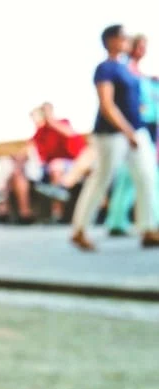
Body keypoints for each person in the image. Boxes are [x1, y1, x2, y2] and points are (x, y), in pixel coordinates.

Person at [70, 25, 159, 251]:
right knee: (102, 178)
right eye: (123, 36)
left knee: (147, 177)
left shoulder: (126, 69)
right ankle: (80, 229)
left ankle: (149, 228)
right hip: (113, 134)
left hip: (136, 131)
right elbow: (107, 105)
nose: (127, 40)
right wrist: (128, 131)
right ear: (111, 40)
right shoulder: (106, 68)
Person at [106, 34, 159, 236]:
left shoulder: (140, 74)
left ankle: (118, 221)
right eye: (139, 45)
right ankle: (147, 224)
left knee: (133, 176)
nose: (142, 50)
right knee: (145, 176)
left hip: (146, 126)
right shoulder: (124, 70)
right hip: (135, 127)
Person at [31, 102, 96, 222]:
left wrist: (51, 121)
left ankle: (61, 191)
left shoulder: (62, 123)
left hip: (73, 163)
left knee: (58, 167)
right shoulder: (39, 134)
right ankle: (58, 212)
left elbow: (70, 134)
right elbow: (40, 157)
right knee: (55, 168)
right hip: (52, 168)